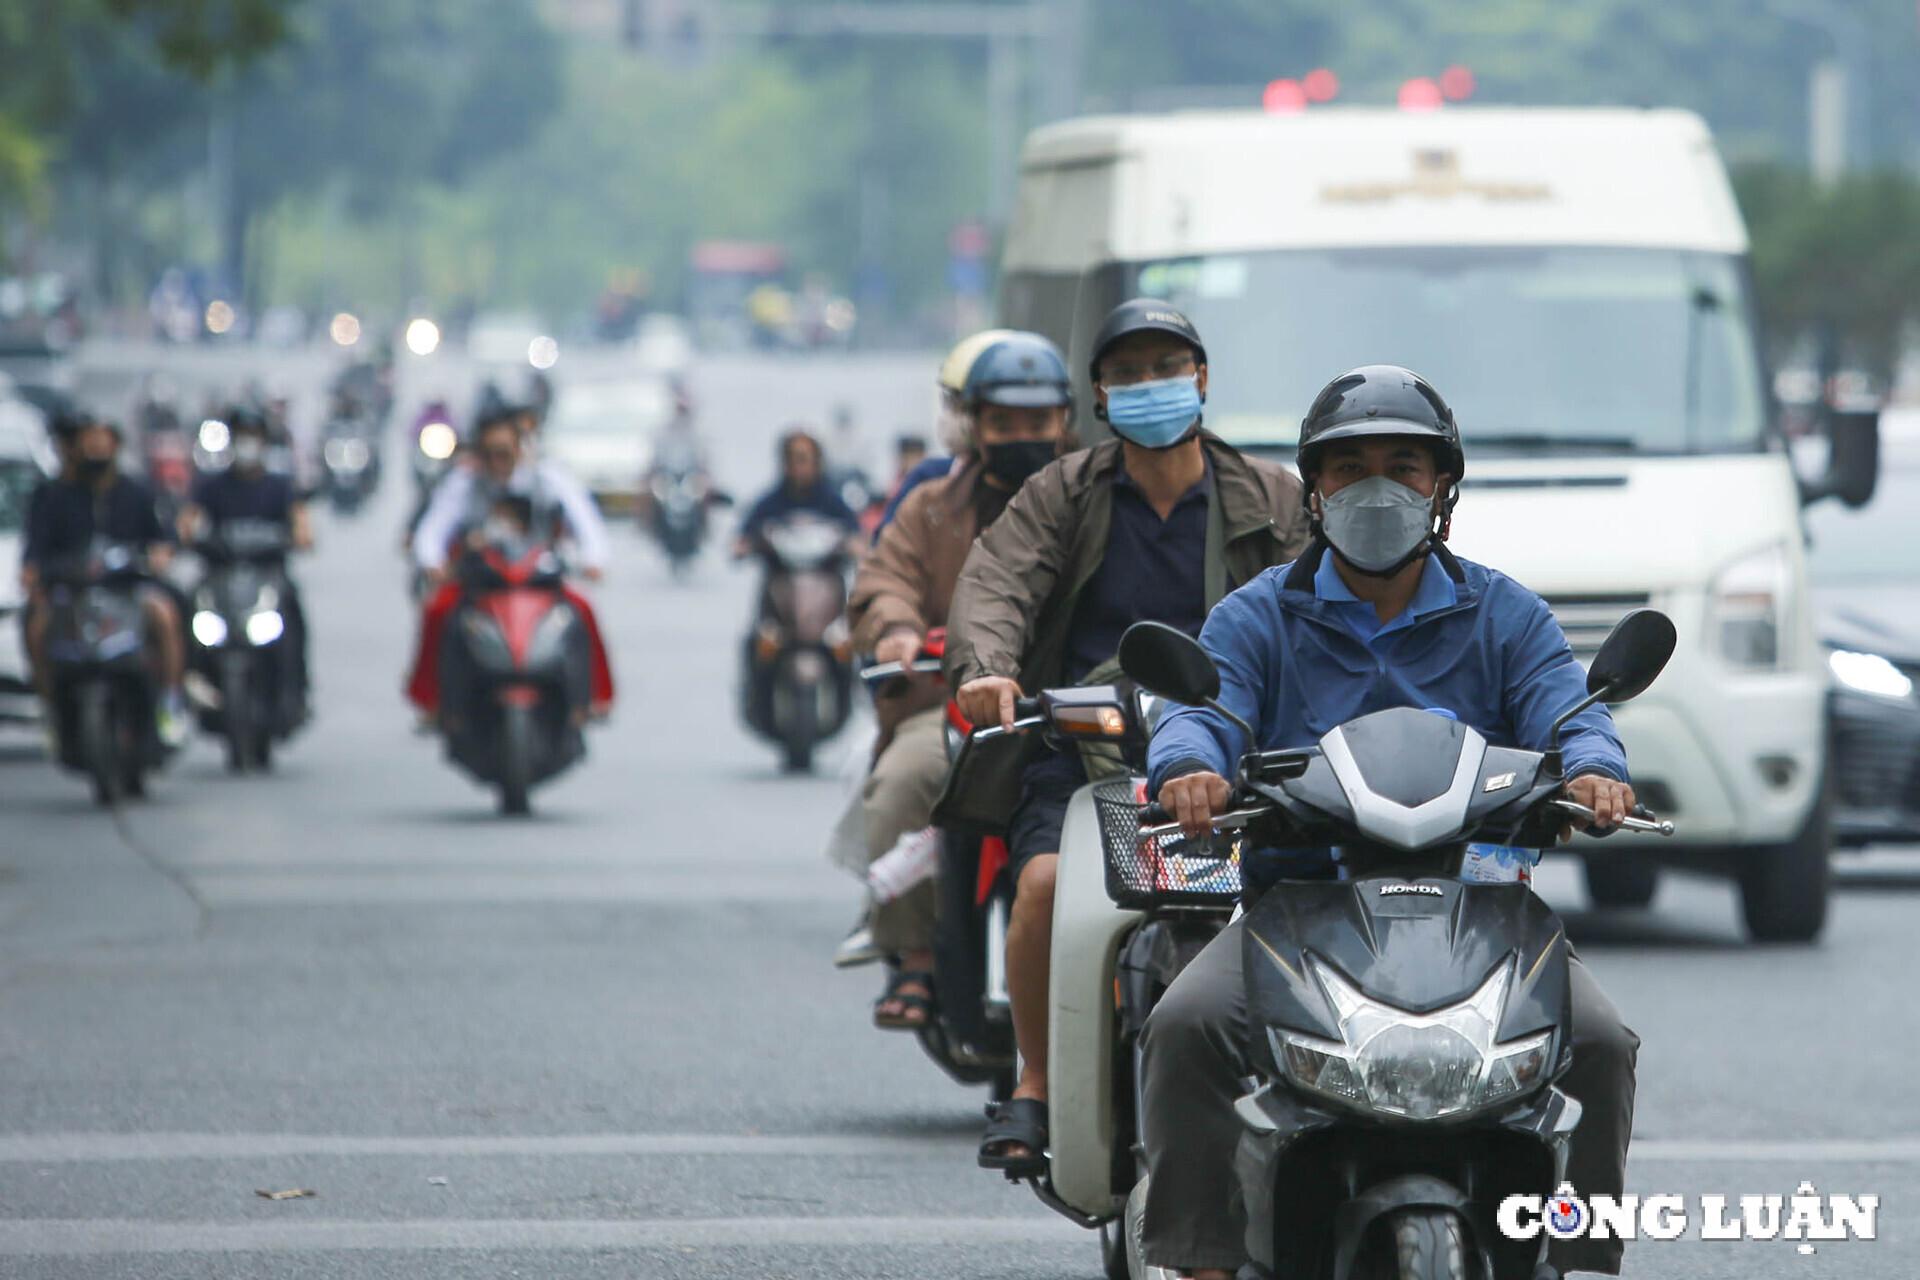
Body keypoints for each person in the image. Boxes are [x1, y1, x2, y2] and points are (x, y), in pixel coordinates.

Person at [1139, 365, 1641, 1280]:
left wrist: (1598, 773)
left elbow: (1570, 710)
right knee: (1185, 1026)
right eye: (1348, 467)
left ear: (1442, 488)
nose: (1377, 487)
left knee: (1601, 1042)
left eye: (1404, 465)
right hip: (1297, 908)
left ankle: (1576, 1258)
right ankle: (1201, 1261)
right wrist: (1190, 770)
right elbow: (1202, 710)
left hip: (1482, 906)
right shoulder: (1258, 616)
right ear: (1315, 491)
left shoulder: (1505, 613)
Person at [943, 299, 1312, 1171]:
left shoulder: (1273, 497)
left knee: (1290, 902)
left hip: (1235, 754)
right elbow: (995, 583)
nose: (1152, 386)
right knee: (1039, 887)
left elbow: (1330, 601)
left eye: (1168, 367)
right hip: (1083, 747)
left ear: (1203, 380)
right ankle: (1035, 1080)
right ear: (1100, 395)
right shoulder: (1062, 494)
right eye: (1130, 373)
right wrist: (989, 669)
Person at [845, 332, 1075, 1028]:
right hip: (953, 707)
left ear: (1067, 419)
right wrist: (898, 628)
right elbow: (884, 578)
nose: (1022, 436)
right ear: (973, 423)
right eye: (1004, 422)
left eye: (1038, 422)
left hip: (1071, 710)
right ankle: (914, 956)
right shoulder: (933, 505)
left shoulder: (1092, 497)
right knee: (904, 783)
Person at [406, 411, 613, 718]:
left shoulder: (547, 479)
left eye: (503, 452)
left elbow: (584, 520)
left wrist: (594, 559)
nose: (497, 461)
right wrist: (432, 562)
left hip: (538, 576)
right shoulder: (464, 483)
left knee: (581, 609)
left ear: (519, 449)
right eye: (489, 453)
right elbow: (433, 529)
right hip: (483, 580)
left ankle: (589, 700)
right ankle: (435, 704)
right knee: (439, 610)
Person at [20, 414, 188, 745]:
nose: (95, 449)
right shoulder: (54, 496)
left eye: (102, 441)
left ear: (115, 445)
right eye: (89, 442)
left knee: (167, 615)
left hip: (127, 590)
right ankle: (50, 709)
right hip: (72, 595)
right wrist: (35, 576)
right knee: (37, 626)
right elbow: (34, 553)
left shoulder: (137, 492)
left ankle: (170, 701)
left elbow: (164, 541)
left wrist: (158, 556)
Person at [178, 408, 315, 714]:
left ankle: (297, 688)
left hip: (267, 575)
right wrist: (185, 534)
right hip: (221, 574)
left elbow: (301, 522)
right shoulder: (211, 486)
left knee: (293, 612)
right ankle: (189, 681)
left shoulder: (279, 485)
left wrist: (300, 536)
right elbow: (189, 521)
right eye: (242, 438)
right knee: (187, 607)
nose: (247, 444)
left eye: (253, 438)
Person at [873, 328, 1020, 538]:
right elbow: (885, 557)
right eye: (949, 402)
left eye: (956, 403)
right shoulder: (929, 479)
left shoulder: (1053, 489)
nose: (949, 415)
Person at [732, 428, 862, 557]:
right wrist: (746, 545)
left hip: (827, 572)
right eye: (792, 459)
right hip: (779, 573)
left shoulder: (833, 502)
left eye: (803, 459)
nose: (798, 466)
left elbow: (857, 536)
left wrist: (853, 546)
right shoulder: (770, 503)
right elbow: (744, 537)